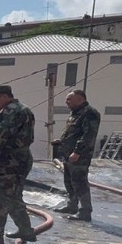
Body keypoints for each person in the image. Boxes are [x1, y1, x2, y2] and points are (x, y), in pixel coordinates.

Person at [0, 85, 36, 243]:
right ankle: (26, 231)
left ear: (4, 97)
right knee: (13, 198)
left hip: (9, 163)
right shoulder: (23, 109)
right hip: (20, 160)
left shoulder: (11, 112)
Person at [52, 90, 101, 222]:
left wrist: (78, 152)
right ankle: (71, 206)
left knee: (80, 182)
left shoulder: (89, 113)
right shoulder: (74, 114)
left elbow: (88, 135)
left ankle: (85, 211)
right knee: (69, 181)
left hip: (80, 156)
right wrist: (61, 141)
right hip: (68, 154)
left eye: (69, 99)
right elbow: (72, 133)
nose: (66, 102)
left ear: (79, 99)